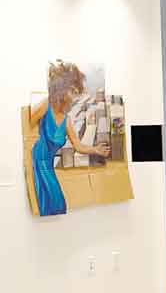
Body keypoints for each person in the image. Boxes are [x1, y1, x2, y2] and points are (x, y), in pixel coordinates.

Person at [28, 62, 110, 217]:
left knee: (58, 205)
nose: (75, 97)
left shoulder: (66, 120)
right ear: (61, 88)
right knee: (54, 204)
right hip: (36, 164)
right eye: (73, 91)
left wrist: (96, 150)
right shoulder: (46, 106)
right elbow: (25, 128)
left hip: (48, 167)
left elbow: (78, 146)